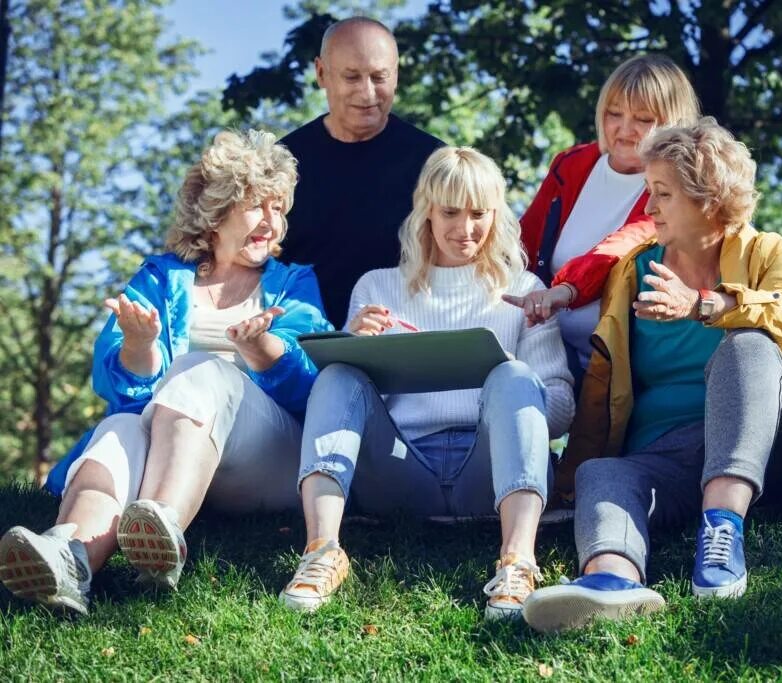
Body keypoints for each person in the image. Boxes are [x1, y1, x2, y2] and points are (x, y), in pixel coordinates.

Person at [521, 119, 782, 633]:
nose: (648, 209)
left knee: (751, 347)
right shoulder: (633, 271)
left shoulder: (763, 252)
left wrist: (702, 306)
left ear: (707, 199)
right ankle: (611, 581)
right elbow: (602, 376)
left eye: (662, 194)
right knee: (604, 473)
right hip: (665, 456)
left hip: (759, 451)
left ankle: (722, 532)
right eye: (648, 192)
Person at [0, 131, 331, 614]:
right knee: (116, 427)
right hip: (174, 452)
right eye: (259, 206)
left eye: (279, 208)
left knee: (202, 370)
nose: (272, 221)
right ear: (217, 213)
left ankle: (162, 526)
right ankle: (69, 556)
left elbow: (311, 391)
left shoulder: (295, 285)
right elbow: (122, 390)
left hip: (267, 460)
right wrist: (137, 346)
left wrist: (261, 348)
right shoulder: (160, 277)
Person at [278, 146, 574, 619]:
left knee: (516, 374)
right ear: (426, 213)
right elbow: (345, 402)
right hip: (399, 469)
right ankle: (321, 551)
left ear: (497, 215)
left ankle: (518, 561)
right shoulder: (376, 287)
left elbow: (561, 408)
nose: (466, 228)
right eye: (451, 212)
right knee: (337, 373)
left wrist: (509, 387)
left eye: (479, 213)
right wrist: (356, 344)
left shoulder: (525, 290)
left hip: (490, 472)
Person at [511, 54, 700, 378]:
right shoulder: (571, 164)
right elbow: (521, 243)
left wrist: (565, 291)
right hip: (545, 344)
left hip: (620, 366)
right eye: (614, 113)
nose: (624, 129)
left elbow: (619, 249)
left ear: (672, 122)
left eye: (642, 119)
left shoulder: (675, 187)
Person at [279, 16, 445, 327]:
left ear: (396, 75)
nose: (367, 94)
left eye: (379, 77)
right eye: (352, 77)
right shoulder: (279, 164)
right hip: (300, 345)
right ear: (321, 73)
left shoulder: (435, 163)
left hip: (404, 340)